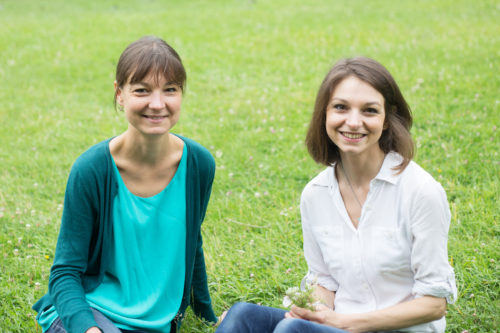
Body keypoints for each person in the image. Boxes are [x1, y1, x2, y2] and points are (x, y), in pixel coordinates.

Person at [216, 57, 457, 333]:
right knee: (242, 316)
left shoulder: (421, 192)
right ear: (325, 115)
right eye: (341, 107)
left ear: (387, 119)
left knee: (290, 332)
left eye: (369, 110)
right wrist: (313, 310)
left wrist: (345, 323)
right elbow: (325, 281)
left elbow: (434, 304)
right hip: (336, 326)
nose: (353, 122)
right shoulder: (315, 195)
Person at [33, 36, 218, 333]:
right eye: (142, 90)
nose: (157, 104)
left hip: (157, 321)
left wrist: (208, 316)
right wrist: (87, 328)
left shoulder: (199, 164)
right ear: (120, 94)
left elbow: (191, 243)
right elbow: (66, 272)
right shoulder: (92, 169)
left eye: (170, 90)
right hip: (90, 312)